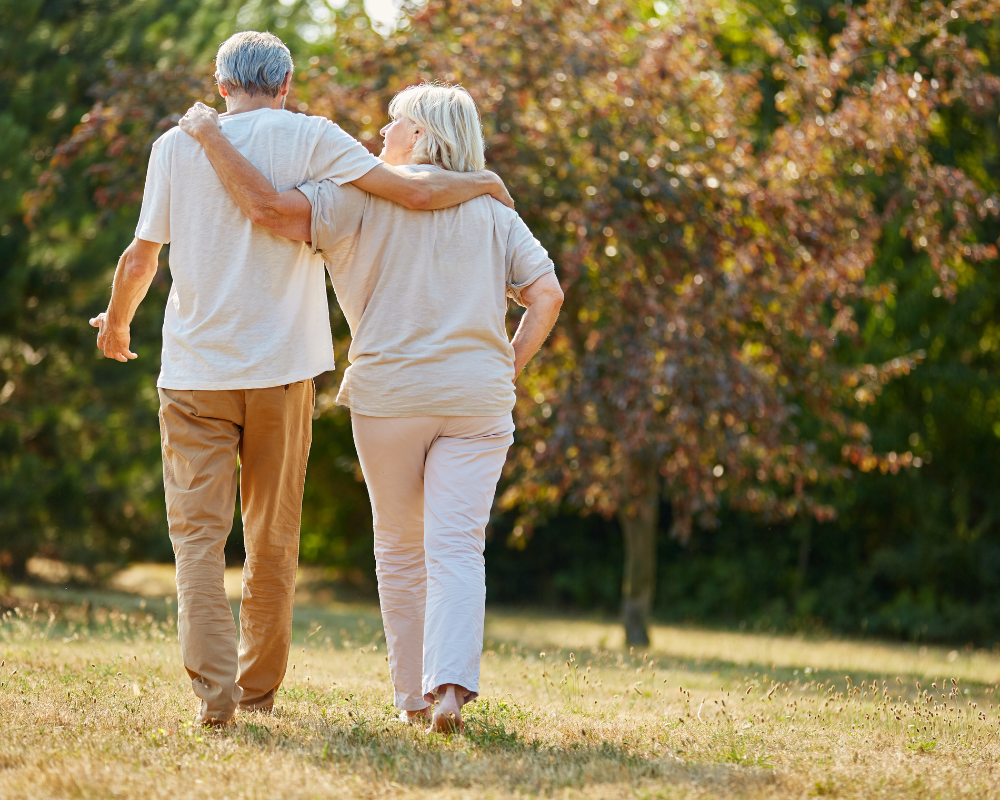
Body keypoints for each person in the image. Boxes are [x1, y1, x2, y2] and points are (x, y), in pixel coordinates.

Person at [89, 32, 514, 728]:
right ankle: (256, 691)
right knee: (272, 538)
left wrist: (116, 322)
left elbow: (142, 256)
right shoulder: (315, 137)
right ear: (286, 83)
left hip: (195, 373)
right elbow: (408, 189)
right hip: (283, 373)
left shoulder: (175, 145)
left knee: (197, 540)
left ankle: (213, 694)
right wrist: (485, 184)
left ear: (221, 84)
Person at [178, 83, 564, 732]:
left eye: (392, 124)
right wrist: (508, 364)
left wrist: (212, 139)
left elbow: (271, 214)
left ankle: (412, 701)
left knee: (400, 548)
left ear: (418, 135)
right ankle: (449, 691)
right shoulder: (493, 207)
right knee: (458, 548)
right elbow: (546, 295)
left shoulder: (352, 197)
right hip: (477, 397)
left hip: (390, 395)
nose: (378, 135)